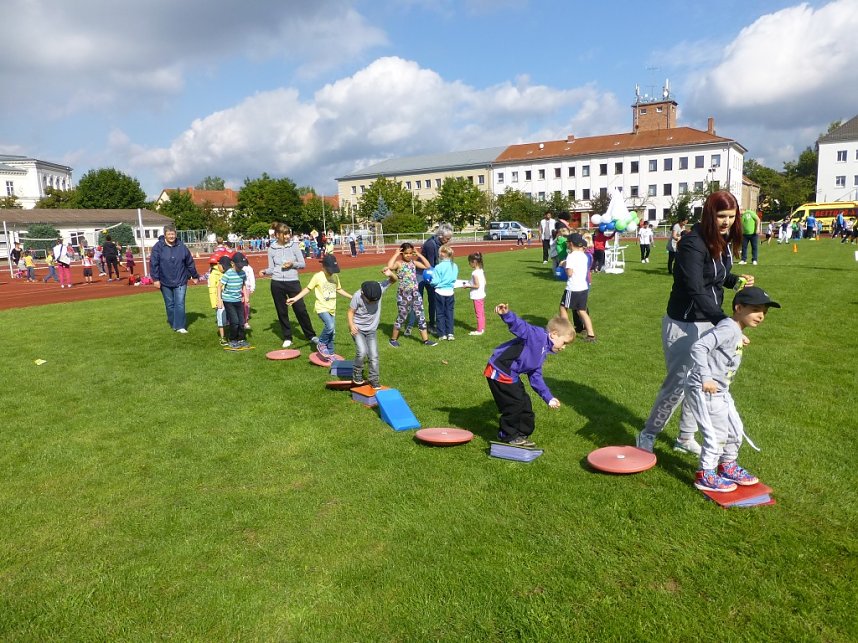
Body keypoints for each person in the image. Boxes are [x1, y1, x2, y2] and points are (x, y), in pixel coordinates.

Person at [637, 190, 754, 455]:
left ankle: (684, 437)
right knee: (677, 385)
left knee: (703, 382)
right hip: (685, 323)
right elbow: (694, 288)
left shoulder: (721, 241)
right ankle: (648, 434)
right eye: (721, 216)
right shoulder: (692, 243)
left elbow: (714, 276)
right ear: (710, 215)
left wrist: (735, 280)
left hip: (710, 320)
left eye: (731, 216)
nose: (726, 222)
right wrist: (727, 324)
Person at [686, 286, 780, 492]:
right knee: (716, 435)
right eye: (755, 309)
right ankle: (706, 475)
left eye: (764, 311)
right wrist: (706, 377)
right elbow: (699, 347)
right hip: (704, 389)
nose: (761, 316)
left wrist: (738, 337)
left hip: (721, 390)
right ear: (739, 308)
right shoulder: (728, 328)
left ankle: (727, 465)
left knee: (735, 430)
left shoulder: (733, 330)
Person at [485, 303, 574, 448]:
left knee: (524, 403)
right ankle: (507, 435)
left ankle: (521, 433)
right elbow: (521, 327)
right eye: (564, 343)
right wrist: (507, 314)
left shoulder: (543, 351)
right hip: (499, 370)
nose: (563, 347)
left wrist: (548, 397)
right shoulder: (537, 335)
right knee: (514, 405)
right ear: (554, 334)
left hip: (511, 374)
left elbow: (536, 376)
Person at [287, 254, 352, 359]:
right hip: (322, 308)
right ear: (324, 266)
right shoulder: (318, 276)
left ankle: (330, 353)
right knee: (330, 327)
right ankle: (321, 343)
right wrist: (295, 298)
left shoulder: (335, 277)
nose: (331, 272)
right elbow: (308, 289)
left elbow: (338, 289)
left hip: (332, 309)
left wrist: (351, 297)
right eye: (330, 270)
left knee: (333, 333)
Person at [264, 222, 317, 349]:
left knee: (300, 309)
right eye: (285, 234)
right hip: (276, 283)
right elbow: (272, 268)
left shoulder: (294, 246)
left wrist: (292, 264)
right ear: (277, 235)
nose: (288, 236)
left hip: (293, 282)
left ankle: (311, 335)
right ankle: (287, 337)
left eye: (288, 233)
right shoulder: (271, 249)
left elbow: (302, 264)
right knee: (282, 311)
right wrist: (265, 271)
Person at [348, 270, 397, 388]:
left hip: (371, 330)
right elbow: (350, 312)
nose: (372, 302)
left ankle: (374, 379)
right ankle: (357, 373)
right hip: (358, 328)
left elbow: (394, 280)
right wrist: (351, 325)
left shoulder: (379, 289)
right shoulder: (357, 296)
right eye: (369, 300)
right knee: (362, 351)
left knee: (374, 355)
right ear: (363, 294)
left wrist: (390, 274)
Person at [149, 224, 200, 334]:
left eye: (173, 234)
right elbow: (154, 264)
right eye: (169, 234)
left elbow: (189, 262)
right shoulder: (158, 247)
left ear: (176, 234)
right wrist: (155, 279)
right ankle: (174, 323)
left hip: (181, 280)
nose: (171, 236)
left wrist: (194, 276)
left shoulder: (181, 246)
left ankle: (180, 326)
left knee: (180, 303)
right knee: (170, 304)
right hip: (164, 280)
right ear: (165, 235)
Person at [386, 243, 438, 348]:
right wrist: (396, 254)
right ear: (402, 253)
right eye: (406, 253)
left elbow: (428, 266)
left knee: (421, 315)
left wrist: (419, 254)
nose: (408, 255)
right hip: (403, 294)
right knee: (402, 316)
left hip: (415, 293)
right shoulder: (399, 263)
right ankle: (393, 339)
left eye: (410, 253)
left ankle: (426, 340)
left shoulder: (413, 263)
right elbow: (390, 267)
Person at [559, 233, 596, 342]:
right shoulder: (584, 255)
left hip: (573, 287)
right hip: (583, 286)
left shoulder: (571, 256)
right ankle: (591, 335)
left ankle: (566, 331)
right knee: (582, 311)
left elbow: (569, 273)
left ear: (570, 244)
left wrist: (564, 265)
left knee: (562, 307)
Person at [419, 223, 454, 335]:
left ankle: (432, 323)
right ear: (440, 236)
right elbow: (430, 265)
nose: (448, 240)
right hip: (422, 273)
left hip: (431, 272)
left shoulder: (439, 244)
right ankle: (416, 324)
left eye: (449, 238)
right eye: (447, 238)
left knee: (433, 300)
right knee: (418, 300)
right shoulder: (430, 244)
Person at [217, 252, 251, 351]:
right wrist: (219, 300)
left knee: (241, 321)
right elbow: (219, 286)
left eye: (242, 266)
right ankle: (233, 340)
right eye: (239, 266)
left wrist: (245, 296)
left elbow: (243, 284)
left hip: (238, 300)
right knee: (235, 321)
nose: (241, 268)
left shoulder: (242, 273)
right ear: (232, 263)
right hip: (228, 300)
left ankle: (241, 339)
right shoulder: (228, 274)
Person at [430, 244, 458, 340]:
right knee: (449, 312)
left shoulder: (438, 267)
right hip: (450, 291)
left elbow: (436, 281)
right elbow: (454, 279)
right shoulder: (454, 266)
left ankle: (442, 334)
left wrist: (431, 282)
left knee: (440, 313)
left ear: (441, 254)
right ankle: (450, 333)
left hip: (440, 291)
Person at [463, 252, 486, 336]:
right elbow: (484, 282)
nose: (469, 264)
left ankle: (479, 330)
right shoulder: (481, 271)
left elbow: (477, 285)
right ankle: (482, 328)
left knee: (479, 313)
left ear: (474, 262)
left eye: (469, 262)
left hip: (477, 295)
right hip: (481, 294)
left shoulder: (474, 273)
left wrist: (468, 286)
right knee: (482, 312)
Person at [207, 254, 227, 346]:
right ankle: (224, 337)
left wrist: (214, 303)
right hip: (223, 299)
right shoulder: (220, 272)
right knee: (224, 318)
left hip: (219, 299)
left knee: (221, 319)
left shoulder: (213, 274)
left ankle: (224, 337)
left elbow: (211, 289)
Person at [241, 257, 256, 330]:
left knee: (245, 304)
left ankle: (245, 321)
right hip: (239, 287)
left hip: (246, 287)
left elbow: (252, 278)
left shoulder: (249, 268)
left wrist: (252, 287)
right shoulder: (238, 267)